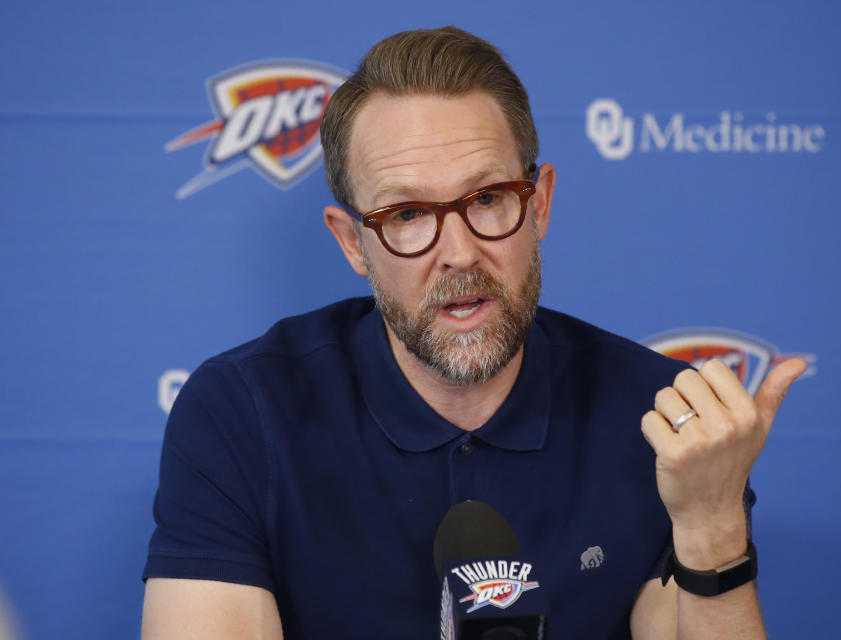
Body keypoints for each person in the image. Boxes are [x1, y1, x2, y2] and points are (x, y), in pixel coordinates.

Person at [141, 26, 806, 639]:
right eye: (406, 213)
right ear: (352, 244)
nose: (458, 253)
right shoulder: (243, 412)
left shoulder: (659, 415)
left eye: (487, 199)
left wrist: (712, 527)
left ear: (538, 204)